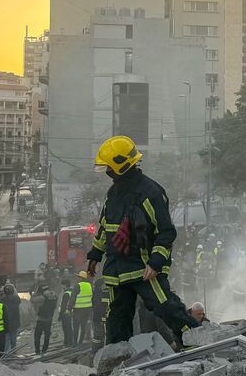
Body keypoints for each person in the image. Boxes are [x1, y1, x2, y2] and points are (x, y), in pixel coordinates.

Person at [86, 136, 201, 346]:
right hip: (117, 270)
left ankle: (196, 340)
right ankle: (114, 361)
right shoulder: (113, 193)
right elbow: (105, 227)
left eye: (109, 168)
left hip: (144, 268)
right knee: (117, 319)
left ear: (121, 166)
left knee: (165, 306)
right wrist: (95, 253)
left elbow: (165, 232)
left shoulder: (151, 193)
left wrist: (156, 262)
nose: (108, 173)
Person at [33, 284, 57, 354]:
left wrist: (35, 293)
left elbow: (32, 300)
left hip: (41, 320)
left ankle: (37, 351)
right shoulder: (54, 296)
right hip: (49, 320)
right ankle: (44, 350)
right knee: (47, 336)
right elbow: (55, 307)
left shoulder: (42, 298)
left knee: (37, 336)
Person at [71, 271, 94, 345]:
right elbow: (92, 297)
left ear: (80, 278)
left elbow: (72, 298)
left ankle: (75, 343)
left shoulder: (78, 286)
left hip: (78, 310)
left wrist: (69, 308)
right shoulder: (89, 285)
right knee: (83, 326)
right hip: (87, 309)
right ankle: (80, 342)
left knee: (76, 327)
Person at [2, 284, 21, 354]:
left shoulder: (3, 300)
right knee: (13, 340)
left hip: (6, 324)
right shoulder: (16, 299)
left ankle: (6, 354)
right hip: (14, 323)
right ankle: (13, 353)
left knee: (7, 340)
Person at [58, 280, 74, 346]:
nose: (61, 286)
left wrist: (60, 316)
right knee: (69, 328)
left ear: (65, 285)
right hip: (70, 312)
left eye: (62, 284)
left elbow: (63, 306)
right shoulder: (71, 292)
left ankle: (68, 342)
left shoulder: (66, 294)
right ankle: (69, 342)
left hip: (65, 314)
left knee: (66, 328)